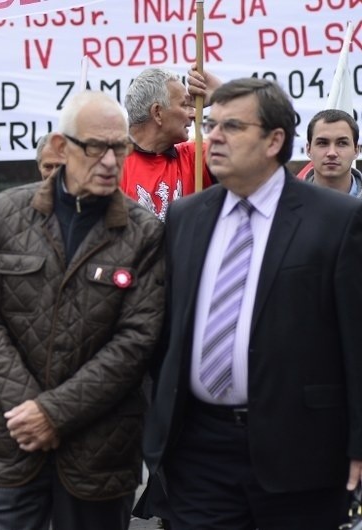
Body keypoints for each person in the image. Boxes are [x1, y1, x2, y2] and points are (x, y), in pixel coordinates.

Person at [141, 77, 362, 529]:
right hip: (198, 452)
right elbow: (169, 328)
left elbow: (357, 342)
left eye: (232, 126)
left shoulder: (338, 220)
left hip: (300, 452)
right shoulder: (186, 216)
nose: (213, 136)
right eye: (210, 123)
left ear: (274, 140)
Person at [0, 91, 165, 529]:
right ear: (60, 146)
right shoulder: (5, 213)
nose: (110, 160)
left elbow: (136, 341)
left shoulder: (144, 232)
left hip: (100, 448)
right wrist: (29, 407)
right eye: (96, 147)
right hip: (12, 436)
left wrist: (55, 413)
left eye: (120, 147)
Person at [121, 67, 211, 220]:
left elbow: (253, 152)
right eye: (184, 105)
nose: (194, 114)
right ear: (157, 113)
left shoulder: (195, 157)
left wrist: (224, 98)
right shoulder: (111, 167)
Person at [302, 109, 361, 196]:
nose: (332, 153)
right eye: (322, 143)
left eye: (342, 143)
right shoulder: (286, 203)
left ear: (356, 150)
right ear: (308, 149)